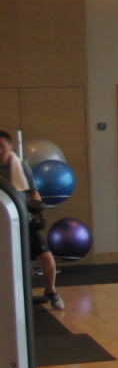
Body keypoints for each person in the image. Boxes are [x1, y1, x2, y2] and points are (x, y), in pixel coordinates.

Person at [0, 131, 64, 310]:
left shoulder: (20, 167)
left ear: (10, 146)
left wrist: (38, 212)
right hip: (2, 223)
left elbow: (33, 192)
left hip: (22, 221)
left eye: (2, 147)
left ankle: (51, 290)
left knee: (47, 258)